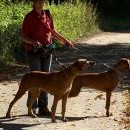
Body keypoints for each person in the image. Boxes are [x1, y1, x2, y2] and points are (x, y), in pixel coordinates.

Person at [22, 0, 72, 116]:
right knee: (35, 79)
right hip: (34, 52)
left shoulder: (47, 14)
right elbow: (23, 36)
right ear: (33, 3)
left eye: (42, 2)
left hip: (47, 51)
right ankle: (32, 107)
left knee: (47, 79)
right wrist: (33, 41)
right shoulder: (29, 17)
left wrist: (65, 40)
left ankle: (43, 107)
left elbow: (52, 31)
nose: (41, 4)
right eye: (38, 2)